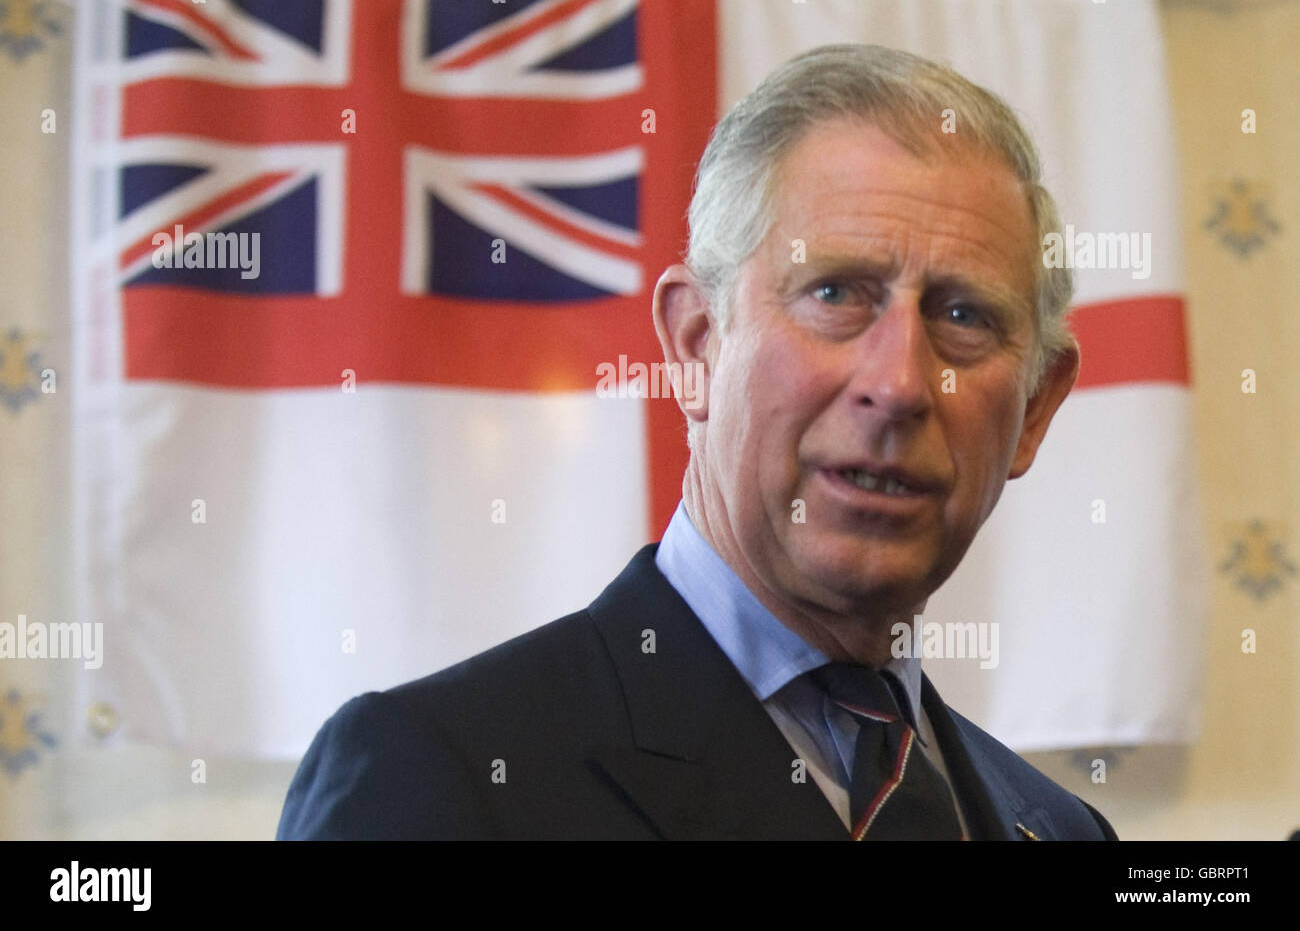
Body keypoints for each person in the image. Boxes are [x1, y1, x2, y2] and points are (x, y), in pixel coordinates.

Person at [277, 44, 1116, 841]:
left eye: (963, 316)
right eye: (835, 293)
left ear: (1036, 407)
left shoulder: (1061, 828)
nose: (897, 384)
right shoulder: (437, 778)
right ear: (696, 346)